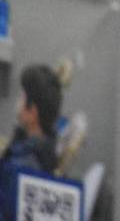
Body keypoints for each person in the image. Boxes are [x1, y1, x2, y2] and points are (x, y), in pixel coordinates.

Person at [0, 65, 62, 219]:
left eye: (21, 97)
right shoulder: (38, 148)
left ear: (32, 112)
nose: (18, 102)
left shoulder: (26, 165)